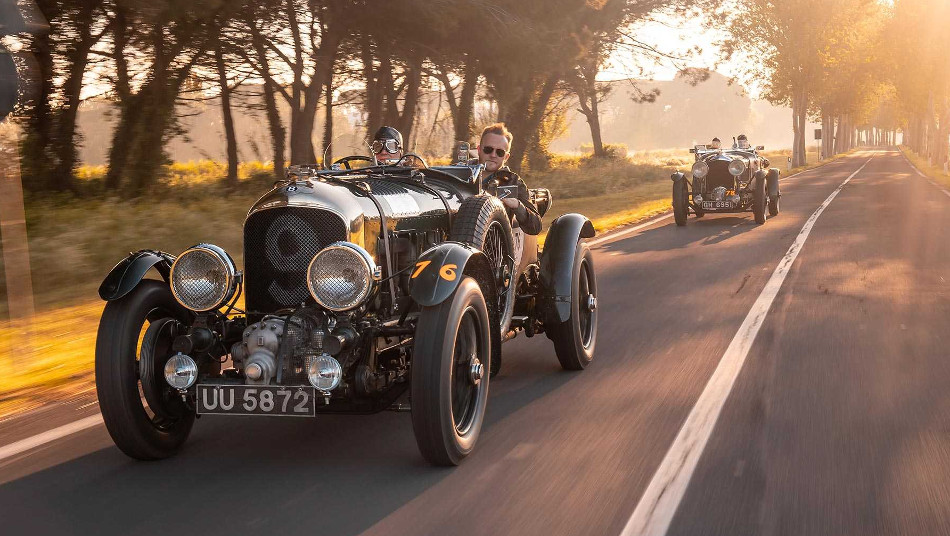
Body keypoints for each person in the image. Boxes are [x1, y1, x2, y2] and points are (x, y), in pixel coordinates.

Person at [477, 123, 542, 236]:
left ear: (506, 157)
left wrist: (517, 205)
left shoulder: (513, 182)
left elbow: (535, 226)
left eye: (500, 152)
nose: (493, 155)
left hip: (495, 247)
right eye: (488, 149)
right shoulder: (458, 175)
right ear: (479, 149)